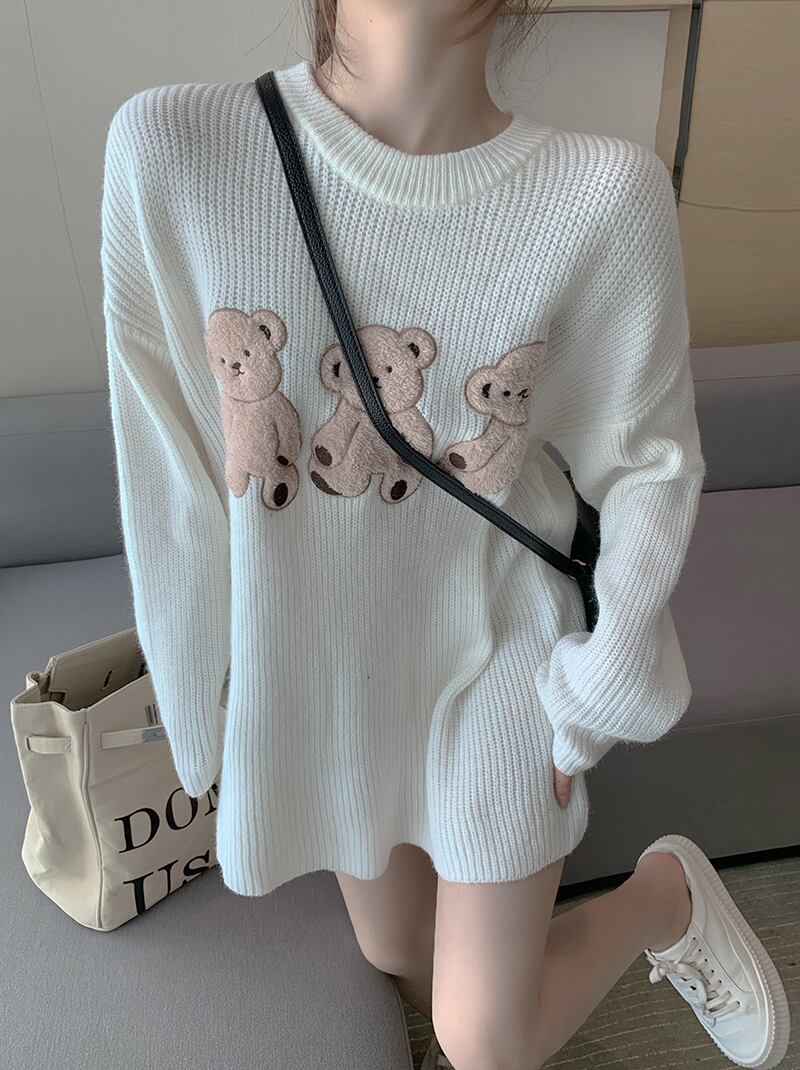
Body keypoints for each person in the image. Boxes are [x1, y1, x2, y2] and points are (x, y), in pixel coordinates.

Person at [99, 1, 791, 1068]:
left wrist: (600, 682)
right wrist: (205, 704)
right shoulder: (177, 150)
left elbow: (650, 462)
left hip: (499, 652)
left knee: (481, 1037)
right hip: (332, 669)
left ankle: (664, 895)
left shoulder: (602, 195)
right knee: (395, 949)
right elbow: (168, 472)